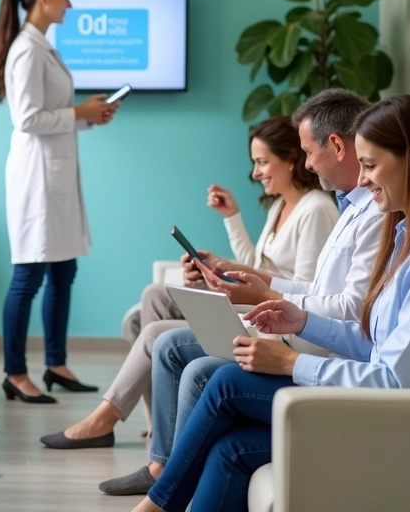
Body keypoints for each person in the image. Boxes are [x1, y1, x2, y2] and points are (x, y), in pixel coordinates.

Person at [130, 94, 410, 512]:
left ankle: (154, 507)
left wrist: (291, 364)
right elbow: (372, 340)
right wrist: (301, 320)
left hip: (405, 423)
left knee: (224, 382)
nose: (362, 181)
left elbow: (396, 382)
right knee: (229, 447)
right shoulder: (409, 239)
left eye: (371, 166)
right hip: (381, 407)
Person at [100, 88, 379, 495]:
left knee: (176, 349)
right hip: (289, 320)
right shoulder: (344, 207)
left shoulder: (328, 209)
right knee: (155, 309)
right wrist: (252, 278)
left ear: (334, 146)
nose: (304, 163)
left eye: (266, 161)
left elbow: (347, 307)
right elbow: (313, 285)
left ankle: (157, 468)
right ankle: (160, 465)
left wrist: (267, 295)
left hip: (298, 335)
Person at [41, 115, 338, 448]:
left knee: (149, 322)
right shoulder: (283, 205)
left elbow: (306, 287)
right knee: (153, 298)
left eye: (262, 162)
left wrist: (238, 279)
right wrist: (226, 246)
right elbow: (259, 264)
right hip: (258, 297)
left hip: (271, 311)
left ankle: (118, 422)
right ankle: (158, 424)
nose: (256, 173)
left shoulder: (315, 210)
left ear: (291, 159)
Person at [0, 0, 120, 403]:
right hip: (36, 178)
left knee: (64, 271)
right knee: (28, 276)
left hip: (55, 171)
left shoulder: (43, 46)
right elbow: (26, 118)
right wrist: (79, 113)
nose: (71, 2)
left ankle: (56, 363)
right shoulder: (26, 49)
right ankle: (14, 371)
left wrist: (87, 117)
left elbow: (50, 114)